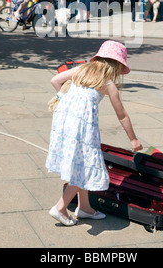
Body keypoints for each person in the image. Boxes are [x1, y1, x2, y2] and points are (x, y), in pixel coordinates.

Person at [46, 40, 143, 226]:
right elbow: (122, 115)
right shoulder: (108, 85)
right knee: (83, 166)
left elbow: (55, 80)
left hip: (63, 120)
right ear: (117, 65)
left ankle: (85, 207)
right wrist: (133, 139)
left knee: (82, 160)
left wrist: (63, 99)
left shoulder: (81, 69)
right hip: (82, 125)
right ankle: (60, 207)